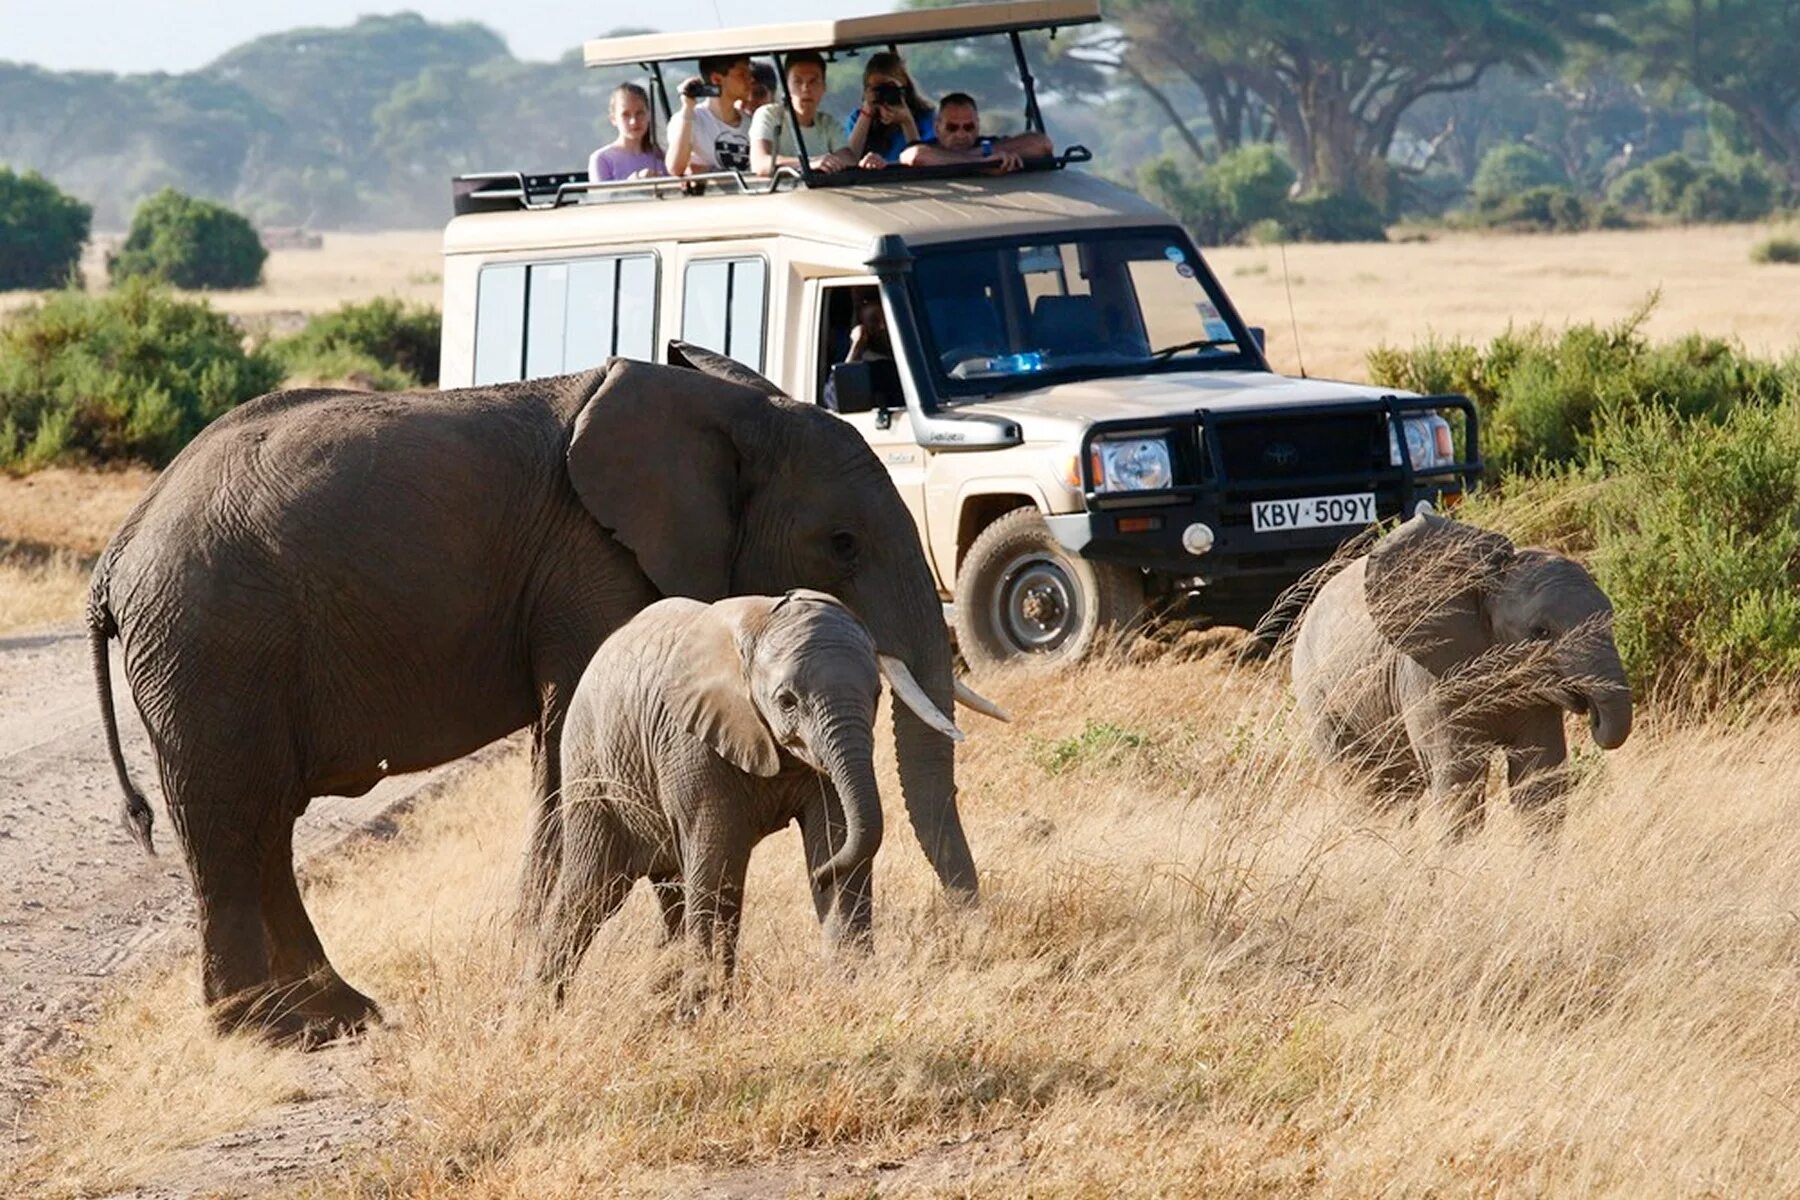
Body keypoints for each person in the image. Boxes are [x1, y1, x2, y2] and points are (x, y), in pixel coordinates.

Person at [751, 50, 884, 176]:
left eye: (813, 81)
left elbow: (849, 159)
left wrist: (866, 164)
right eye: (798, 81)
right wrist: (810, 163)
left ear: (824, 87)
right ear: (786, 87)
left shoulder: (827, 123)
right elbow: (760, 163)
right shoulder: (769, 115)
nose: (806, 88)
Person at [900, 92, 1052, 173]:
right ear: (937, 127)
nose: (961, 134)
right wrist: (981, 163)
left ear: (978, 125)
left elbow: (1041, 143)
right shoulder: (928, 148)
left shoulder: (989, 146)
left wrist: (984, 152)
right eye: (952, 128)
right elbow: (915, 156)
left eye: (968, 127)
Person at [666, 54, 754, 175]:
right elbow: (675, 168)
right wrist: (687, 108)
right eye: (742, 75)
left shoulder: (751, 124)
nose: (750, 79)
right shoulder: (689, 120)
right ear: (717, 79)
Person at [845, 51, 934, 165]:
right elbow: (849, 160)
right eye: (877, 89)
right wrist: (867, 113)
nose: (884, 93)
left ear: (903, 87)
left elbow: (924, 162)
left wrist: (907, 121)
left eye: (889, 87)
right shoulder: (857, 119)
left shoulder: (925, 118)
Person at [588, 82, 668, 184]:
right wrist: (633, 182)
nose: (633, 121)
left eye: (639, 113)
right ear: (613, 119)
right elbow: (601, 197)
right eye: (625, 115)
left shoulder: (660, 156)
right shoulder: (602, 159)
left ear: (648, 115)